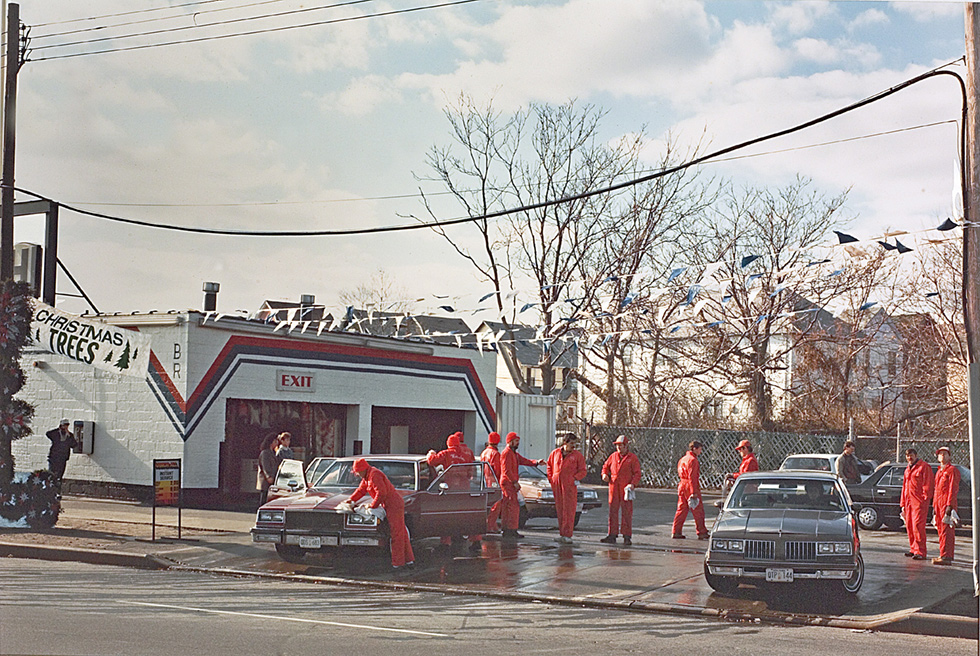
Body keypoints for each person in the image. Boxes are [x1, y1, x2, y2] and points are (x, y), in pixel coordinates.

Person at [347, 458, 415, 569]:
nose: (357, 475)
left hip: (393, 505)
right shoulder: (367, 476)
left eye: (358, 472)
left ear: (363, 470)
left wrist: (372, 505)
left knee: (396, 534)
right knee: (401, 532)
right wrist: (351, 500)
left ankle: (398, 564)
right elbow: (361, 490)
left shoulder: (374, 475)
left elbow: (382, 493)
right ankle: (409, 561)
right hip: (390, 504)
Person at [499, 431, 544, 540]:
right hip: (508, 483)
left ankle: (508, 529)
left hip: (509, 483)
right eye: (516, 441)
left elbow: (523, 460)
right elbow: (506, 470)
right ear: (510, 441)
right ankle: (511, 530)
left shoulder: (512, 454)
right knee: (512, 507)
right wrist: (514, 481)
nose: (517, 443)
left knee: (509, 507)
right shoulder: (507, 453)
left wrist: (536, 462)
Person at [600, 435, 642, 545]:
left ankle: (626, 535)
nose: (618, 448)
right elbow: (605, 466)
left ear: (626, 446)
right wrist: (604, 474)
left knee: (627, 511)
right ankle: (612, 534)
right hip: (613, 485)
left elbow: (637, 473)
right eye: (617, 445)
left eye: (620, 445)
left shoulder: (632, 458)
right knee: (612, 510)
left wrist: (632, 484)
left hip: (625, 486)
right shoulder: (613, 456)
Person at [547, 433, 587, 544]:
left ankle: (568, 534)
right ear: (565, 443)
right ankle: (562, 534)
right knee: (560, 509)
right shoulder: (555, 453)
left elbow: (583, 470)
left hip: (569, 485)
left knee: (569, 510)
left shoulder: (577, 456)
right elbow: (549, 466)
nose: (574, 446)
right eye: (571, 443)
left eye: (575, 443)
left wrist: (575, 478)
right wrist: (551, 479)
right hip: (557, 485)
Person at [900, 447, 934, 561]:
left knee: (918, 526)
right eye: (908, 456)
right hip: (909, 502)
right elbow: (904, 487)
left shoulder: (924, 467)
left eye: (911, 455)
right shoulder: (907, 469)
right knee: (909, 525)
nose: (910, 458)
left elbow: (928, 483)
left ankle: (921, 551)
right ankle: (913, 548)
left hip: (919, 502)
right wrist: (903, 503)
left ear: (916, 455)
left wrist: (925, 498)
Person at [671, 440, 709, 540]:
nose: (700, 451)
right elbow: (692, 477)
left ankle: (676, 531)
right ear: (694, 449)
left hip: (682, 484)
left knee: (681, 509)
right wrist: (693, 492)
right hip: (689, 485)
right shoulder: (693, 460)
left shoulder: (682, 459)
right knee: (698, 510)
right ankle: (702, 531)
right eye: (700, 449)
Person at [932, 446, 960, 566]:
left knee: (946, 531)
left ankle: (946, 556)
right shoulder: (939, 471)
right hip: (938, 504)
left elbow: (953, 489)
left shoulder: (952, 470)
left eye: (945, 454)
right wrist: (934, 507)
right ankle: (943, 553)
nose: (942, 456)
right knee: (940, 530)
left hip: (946, 504)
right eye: (940, 454)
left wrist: (949, 505)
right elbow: (936, 490)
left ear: (949, 456)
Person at [480, 432, 503, 534]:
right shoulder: (495, 454)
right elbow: (497, 470)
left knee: (489, 505)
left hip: (485, 480)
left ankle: (492, 525)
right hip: (494, 481)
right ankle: (490, 526)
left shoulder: (484, 452)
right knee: (496, 505)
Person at [45, 419, 77, 484]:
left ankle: (58, 490)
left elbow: (74, 445)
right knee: (51, 474)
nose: (65, 427)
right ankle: (50, 488)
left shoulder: (69, 435)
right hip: (54, 457)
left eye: (67, 425)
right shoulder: (55, 433)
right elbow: (48, 434)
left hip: (62, 458)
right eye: (64, 425)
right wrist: (58, 429)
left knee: (59, 476)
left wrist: (69, 435)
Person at [257, 433, 280, 506]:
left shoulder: (273, 452)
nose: (277, 443)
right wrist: (269, 477)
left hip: (272, 481)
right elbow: (265, 466)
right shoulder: (265, 453)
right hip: (265, 482)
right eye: (275, 441)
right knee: (264, 500)